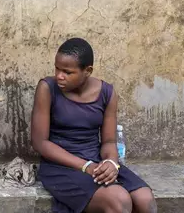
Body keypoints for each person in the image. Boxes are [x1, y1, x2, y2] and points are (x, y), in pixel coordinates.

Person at [31, 38, 157, 213]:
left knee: (145, 200)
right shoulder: (47, 88)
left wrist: (111, 163)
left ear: (87, 71)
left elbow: (109, 142)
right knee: (118, 200)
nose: (59, 75)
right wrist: (85, 166)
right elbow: (40, 143)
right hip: (60, 165)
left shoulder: (107, 93)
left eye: (67, 72)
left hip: (95, 161)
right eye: (57, 69)